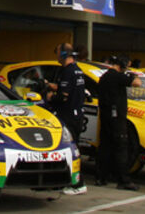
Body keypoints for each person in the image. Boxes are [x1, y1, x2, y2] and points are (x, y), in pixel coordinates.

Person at [94, 55, 140, 191]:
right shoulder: (118, 76)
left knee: (105, 147)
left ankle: (101, 177)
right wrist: (131, 73)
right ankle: (123, 180)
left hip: (106, 116)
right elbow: (137, 83)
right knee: (121, 147)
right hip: (117, 118)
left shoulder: (105, 77)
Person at [48, 43, 86, 196]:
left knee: (70, 150)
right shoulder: (78, 70)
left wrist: (51, 97)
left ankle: (78, 183)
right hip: (77, 114)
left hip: (69, 116)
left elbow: (64, 96)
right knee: (70, 150)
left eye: (57, 52)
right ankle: (65, 181)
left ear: (64, 54)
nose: (56, 56)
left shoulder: (68, 72)